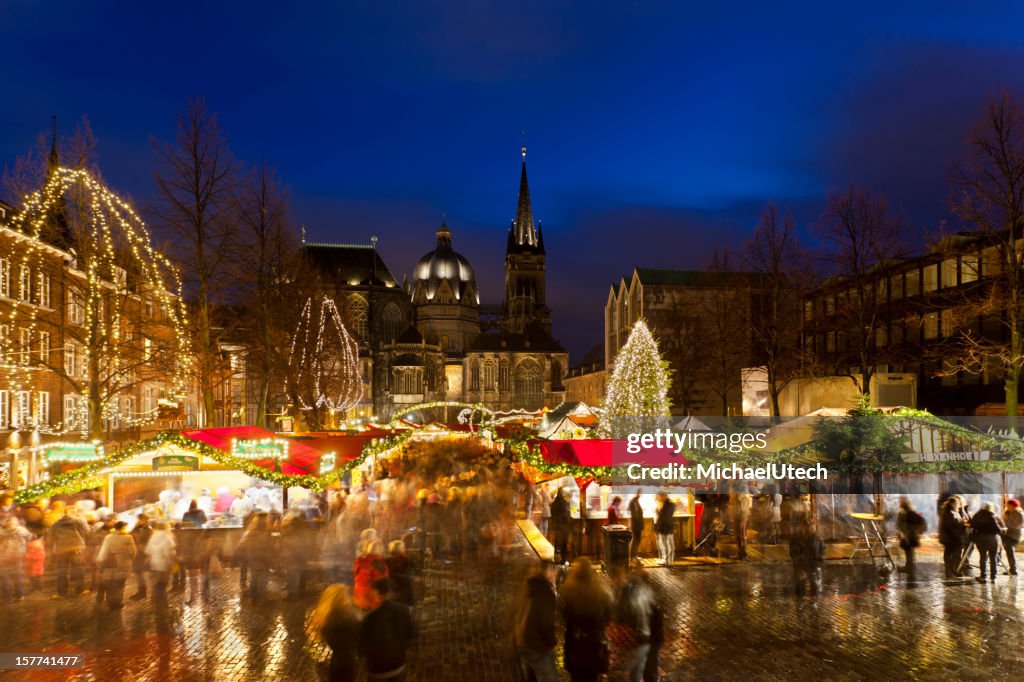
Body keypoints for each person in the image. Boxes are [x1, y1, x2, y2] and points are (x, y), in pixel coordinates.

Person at [558, 557, 614, 682]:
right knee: (593, 676)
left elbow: (564, 614)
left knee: (577, 676)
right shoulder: (601, 591)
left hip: (576, 643)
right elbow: (608, 613)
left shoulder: (569, 590)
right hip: (595, 644)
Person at [358, 577, 417, 682]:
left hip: (378, 672)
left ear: (377, 593)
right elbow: (412, 633)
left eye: (371, 591)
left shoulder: (370, 618)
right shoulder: (403, 610)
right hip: (398, 666)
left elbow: (362, 648)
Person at [514, 561, 559, 682]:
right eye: (555, 573)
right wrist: (551, 642)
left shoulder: (528, 585)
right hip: (537, 645)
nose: (555, 577)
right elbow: (545, 624)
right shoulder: (546, 592)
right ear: (549, 572)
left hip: (522, 641)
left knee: (529, 677)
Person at [310, 584, 362, 682]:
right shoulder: (345, 617)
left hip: (337, 661)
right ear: (341, 598)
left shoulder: (327, 616)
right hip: (347, 663)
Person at [615, 568, 656, 682]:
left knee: (638, 670)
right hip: (645, 637)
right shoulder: (647, 594)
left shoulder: (637, 593)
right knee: (646, 668)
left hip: (641, 637)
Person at [47, 506, 90, 597]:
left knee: (62, 571)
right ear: (73, 512)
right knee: (78, 570)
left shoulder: (56, 524)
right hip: (77, 548)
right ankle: (80, 590)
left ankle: (61, 593)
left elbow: (49, 539)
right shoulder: (79, 521)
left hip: (61, 550)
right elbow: (87, 531)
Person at [95, 520, 137, 610]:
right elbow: (133, 552)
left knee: (110, 583)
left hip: (110, 563)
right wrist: (131, 560)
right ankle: (117, 603)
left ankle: (110, 602)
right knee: (120, 585)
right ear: (122, 528)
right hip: (124, 564)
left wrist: (100, 564)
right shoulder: (128, 537)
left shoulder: (108, 537)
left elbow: (103, 552)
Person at [970, 502, 1005, 583]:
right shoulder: (993, 516)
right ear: (991, 508)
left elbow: (971, 525)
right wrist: (1003, 530)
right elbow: (998, 529)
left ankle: (983, 576)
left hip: (981, 538)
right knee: (993, 558)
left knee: (983, 558)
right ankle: (993, 577)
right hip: (993, 539)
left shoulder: (977, 515)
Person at [789, 518, 825, 597]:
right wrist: (799, 567)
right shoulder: (796, 538)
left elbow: (821, 553)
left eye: (812, 526)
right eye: (807, 526)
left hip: (813, 567)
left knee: (815, 589)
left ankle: (813, 604)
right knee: (800, 589)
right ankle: (800, 604)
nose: (810, 528)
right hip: (801, 568)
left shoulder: (818, 539)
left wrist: (818, 565)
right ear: (802, 527)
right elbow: (793, 553)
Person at [353, 539, 389, 610]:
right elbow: (383, 586)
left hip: (359, 598)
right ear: (380, 550)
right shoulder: (379, 565)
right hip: (372, 602)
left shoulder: (360, 562)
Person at [145, 520, 176, 603]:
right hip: (164, 565)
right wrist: (173, 561)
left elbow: (148, 551)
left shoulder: (153, 537)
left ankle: (155, 601)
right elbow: (169, 553)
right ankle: (161, 604)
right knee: (162, 585)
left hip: (153, 564)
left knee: (156, 584)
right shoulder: (167, 538)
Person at [896, 497, 926, 579]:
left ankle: (910, 569)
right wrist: (918, 533)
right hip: (912, 536)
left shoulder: (903, 512)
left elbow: (902, 525)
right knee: (910, 553)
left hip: (908, 536)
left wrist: (902, 534)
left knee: (909, 553)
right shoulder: (911, 512)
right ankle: (909, 568)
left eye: (900, 501)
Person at [939, 496, 968, 578]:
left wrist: (963, 522)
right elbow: (950, 525)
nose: (958, 505)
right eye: (957, 503)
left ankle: (955, 570)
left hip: (956, 537)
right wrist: (962, 524)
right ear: (952, 504)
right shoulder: (947, 512)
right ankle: (950, 571)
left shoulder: (955, 511)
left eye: (959, 503)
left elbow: (959, 522)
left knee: (957, 555)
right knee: (950, 554)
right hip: (950, 538)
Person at [129, 514, 153, 600]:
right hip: (138, 553)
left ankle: (143, 592)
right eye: (138, 519)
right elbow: (131, 535)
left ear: (144, 520)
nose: (138, 521)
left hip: (143, 554)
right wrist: (136, 527)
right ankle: (141, 591)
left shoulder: (148, 530)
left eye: (140, 519)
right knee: (138, 573)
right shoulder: (139, 528)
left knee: (140, 572)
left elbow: (142, 540)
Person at [385, 540, 415, 607]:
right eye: (403, 547)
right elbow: (408, 580)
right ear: (400, 549)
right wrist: (411, 599)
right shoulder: (405, 561)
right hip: (403, 593)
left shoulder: (386, 561)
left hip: (390, 591)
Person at [549, 488, 572, 563]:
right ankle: (563, 559)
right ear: (562, 493)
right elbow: (565, 515)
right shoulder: (564, 502)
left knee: (556, 542)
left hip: (556, 526)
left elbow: (552, 513)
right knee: (563, 543)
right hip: (563, 526)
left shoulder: (554, 502)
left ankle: (556, 558)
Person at [731, 488, 753, 560]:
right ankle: (742, 553)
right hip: (742, 514)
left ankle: (742, 553)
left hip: (740, 514)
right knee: (742, 534)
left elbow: (734, 503)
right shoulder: (746, 494)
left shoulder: (739, 494)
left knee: (740, 534)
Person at [654, 493, 676, 566]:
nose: (659, 498)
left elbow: (664, 517)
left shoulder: (667, 505)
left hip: (665, 527)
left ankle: (667, 560)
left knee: (666, 544)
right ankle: (668, 560)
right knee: (668, 543)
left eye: (660, 496)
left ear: (664, 496)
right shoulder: (669, 504)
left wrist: (658, 512)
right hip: (667, 527)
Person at [1003, 498, 1022, 576]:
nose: (1007, 507)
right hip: (1008, 535)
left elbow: (1017, 525)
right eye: (1007, 505)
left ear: (1014, 506)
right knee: (1009, 552)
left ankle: (1013, 570)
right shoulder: (1007, 513)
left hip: (1014, 537)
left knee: (1009, 551)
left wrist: (1006, 523)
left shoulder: (1019, 514)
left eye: (1009, 506)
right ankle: (1012, 570)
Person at [628, 491, 645, 564]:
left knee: (636, 541)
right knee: (636, 541)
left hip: (636, 525)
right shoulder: (634, 502)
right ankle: (633, 558)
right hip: (636, 525)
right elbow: (636, 515)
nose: (641, 495)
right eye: (640, 493)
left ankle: (634, 556)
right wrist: (639, 524)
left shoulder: (635, 501)